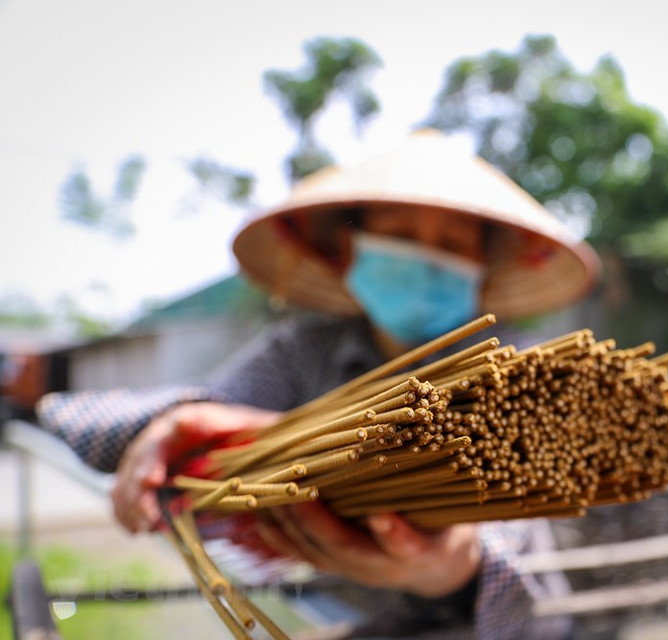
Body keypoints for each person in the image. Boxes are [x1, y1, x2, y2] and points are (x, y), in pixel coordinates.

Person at [37, 129, 600, 638]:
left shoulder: (520, 370)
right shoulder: (302, 351)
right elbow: (202, 417)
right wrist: (177, 425)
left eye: (452, 245)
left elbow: (518, 521)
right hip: (342, 615)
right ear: (351, 251)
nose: (425, 257)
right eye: (400, 234)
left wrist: (453, 564)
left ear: (483, 266)